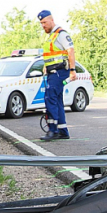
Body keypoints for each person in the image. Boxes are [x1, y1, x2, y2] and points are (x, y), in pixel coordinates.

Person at [38, 10, 76, 140]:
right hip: (52, 72)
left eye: (44, 22)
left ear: (51, 20)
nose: (43, 25)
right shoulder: (51, 36)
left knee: (50, 98)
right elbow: (51, 56)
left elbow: (70, 51)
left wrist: (72, 70)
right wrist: (46, 67)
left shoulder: (61, 34)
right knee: (57, 100)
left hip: (59, 72)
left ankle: (52, 130)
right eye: (41, 23)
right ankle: (62, 130)